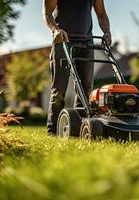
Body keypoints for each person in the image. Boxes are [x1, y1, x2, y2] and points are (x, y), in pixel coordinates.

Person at [43, 0, 112, 135]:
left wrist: (107, 31)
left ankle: (78, 129)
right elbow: (47, 12)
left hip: (86, 42)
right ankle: (52, 131)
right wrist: (55, 30)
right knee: (59, 89)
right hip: (62, 41)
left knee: (85, 90)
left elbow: (102, 14)